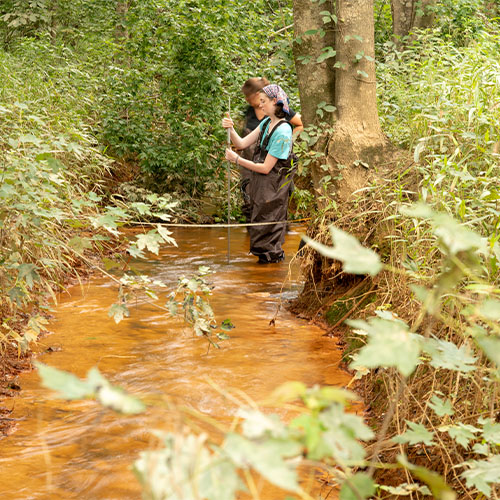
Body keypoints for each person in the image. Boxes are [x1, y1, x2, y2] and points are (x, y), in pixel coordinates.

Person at [223, 84, 297, 264]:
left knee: (270, 233)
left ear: (275, 102)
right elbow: (241, 144)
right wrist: (230, 129)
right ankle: (264, 276)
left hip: (274, 188)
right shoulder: (266, 123)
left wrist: (237, 160)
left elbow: (265, 167)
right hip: (261, 187)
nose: (260, 105)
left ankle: (273, 272)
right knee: (259, 228)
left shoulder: (284, 131)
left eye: (263, 102)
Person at [239, 78, 303, 221]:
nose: (247, 100)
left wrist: (285, 142)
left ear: (257, 94)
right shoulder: (253, 113)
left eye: (248, 97)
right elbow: (243, 142)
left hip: (273, 163)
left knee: (274, 200)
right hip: (252, 161)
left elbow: (300, 124)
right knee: (250, 195)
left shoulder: (280, 111)